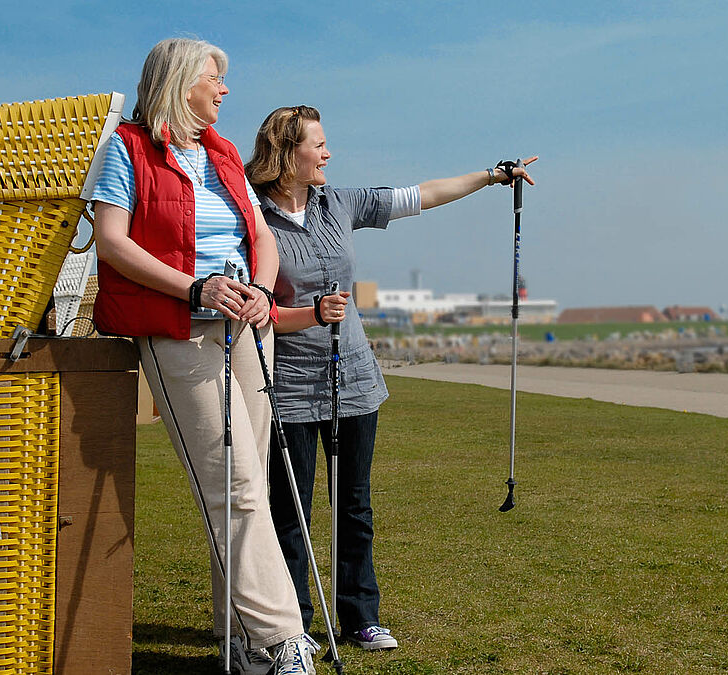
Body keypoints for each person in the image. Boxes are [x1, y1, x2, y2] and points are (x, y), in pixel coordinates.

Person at [244, 105, 535, 651]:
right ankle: (293, 625)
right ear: (288, 153)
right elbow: (257, 305)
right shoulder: (252, 214)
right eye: (319, 144)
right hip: (288, 385)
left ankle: (360, 617)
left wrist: (492, 176)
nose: (328, 153)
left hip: (354, 380)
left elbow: (421, 194)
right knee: (291, 512)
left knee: (354, 505)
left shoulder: (340, 202)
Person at [91, 40, 318, 675]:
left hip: (247, 330)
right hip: (178, 332)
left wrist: (263, 292)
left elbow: (261, 233)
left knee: (251, 485)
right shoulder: (128, 149)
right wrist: (195, 287)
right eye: (215, 78)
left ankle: (241, 640)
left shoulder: (220, 154)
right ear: (181, 81)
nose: (224, 90)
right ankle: (279, 639)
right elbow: (111, 241)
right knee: (235, 486)